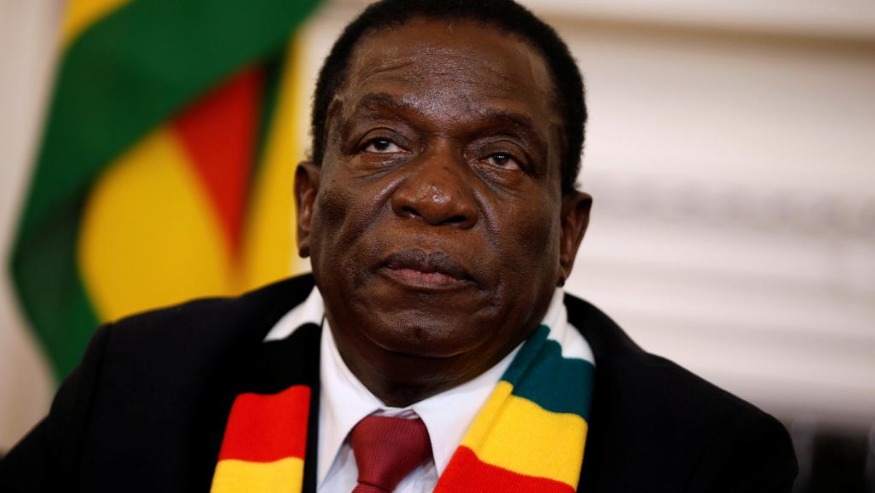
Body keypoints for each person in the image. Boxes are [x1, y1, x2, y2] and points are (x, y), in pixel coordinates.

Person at [0, 0, 798, 491]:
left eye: (499, 157)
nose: (435, 195)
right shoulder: (138, 387)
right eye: (382, 143)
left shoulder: (703, 461)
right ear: (307, 205)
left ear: (566, 233)